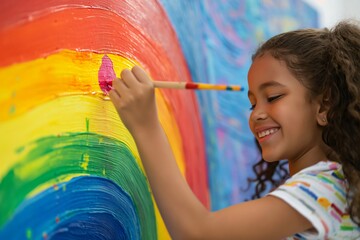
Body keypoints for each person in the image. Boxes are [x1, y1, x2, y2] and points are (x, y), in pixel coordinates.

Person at [109, 20, 360, 239]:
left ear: (324, 105)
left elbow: (196, 232)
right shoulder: (337, 188)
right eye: (252, 104)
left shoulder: (326, 187)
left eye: (272, 97)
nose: (257, 114)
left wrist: (146, 126)